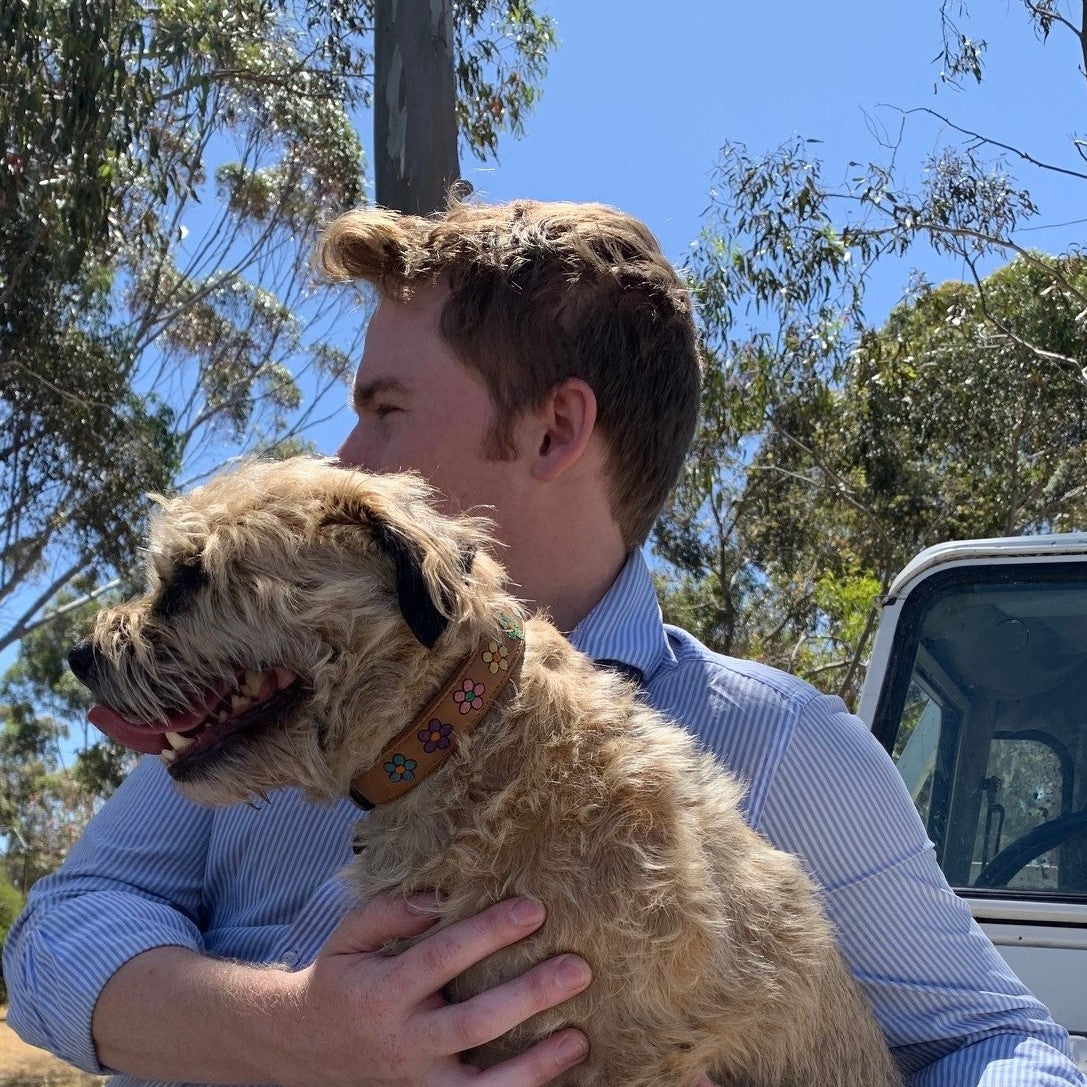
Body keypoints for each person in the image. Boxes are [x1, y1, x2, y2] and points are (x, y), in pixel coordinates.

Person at [5, 198, 1083, 1087]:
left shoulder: (784, 745)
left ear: (552, 430)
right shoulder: (266, 703)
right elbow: (55, 941)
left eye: (382, 408)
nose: (339, 455)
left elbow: (1002, 1044)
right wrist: (289, 1030)